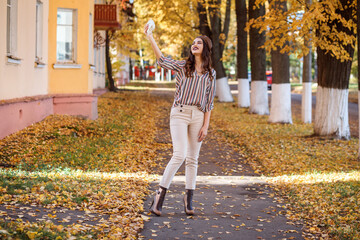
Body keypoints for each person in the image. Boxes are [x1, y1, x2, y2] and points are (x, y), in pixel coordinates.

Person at [144, 23, 216, 216]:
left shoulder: (211, 74)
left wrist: (206, 126)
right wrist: (150, 37)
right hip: (180, 113)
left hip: (198, 116)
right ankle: (158, 198)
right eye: (193, 43)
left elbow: (209, 102)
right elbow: (162, 60)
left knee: (193, 159)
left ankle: (188, 200)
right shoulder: (183, 65)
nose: (194, 45)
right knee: (179, 155)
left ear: (206, 48)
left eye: (199, 43)